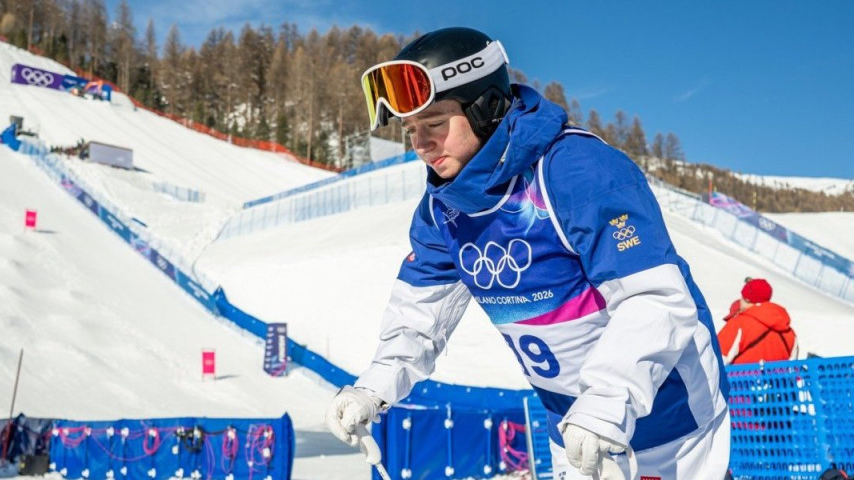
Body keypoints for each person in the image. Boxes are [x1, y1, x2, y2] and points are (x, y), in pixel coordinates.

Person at [325, 27, 730, 479]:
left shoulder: (576, 171)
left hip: (668, 418)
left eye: (435, 123)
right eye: (411, 129)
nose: (420, 143)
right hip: (573, 425)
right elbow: (419, 317)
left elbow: (654, 299)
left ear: (486, 108)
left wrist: (606, 401)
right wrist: (373, 388)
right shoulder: (443, 209)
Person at [718, 278, 797, 365]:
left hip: (738, 377)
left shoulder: (738, 323)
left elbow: (716, 359)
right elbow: (793, 369)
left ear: (747, 299)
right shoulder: (790, 334)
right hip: (777, 378)